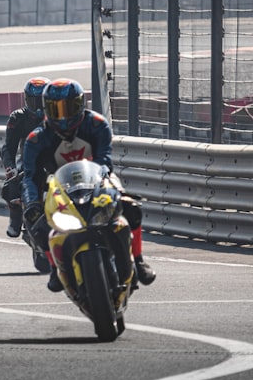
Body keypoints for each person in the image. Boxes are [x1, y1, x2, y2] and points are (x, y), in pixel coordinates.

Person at [21, 78, 156, 292]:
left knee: (131, 207)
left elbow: (105, 160)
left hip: (98, 178)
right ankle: (55, 269)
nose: (63, 115)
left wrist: (102, 178)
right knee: (38, 227)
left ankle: (138, 260)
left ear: (81, 105)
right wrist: (32, 203)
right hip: (58, 188)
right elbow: (30, 177)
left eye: (69, 107)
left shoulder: (97, 124)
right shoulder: (36, 140)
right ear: (46, 109)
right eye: (56, 109)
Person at [0, 77, 50, 237]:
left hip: (53, 160)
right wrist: (10, 168)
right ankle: (16, 221)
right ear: (27, 100)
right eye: (34, 101)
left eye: (41, 101)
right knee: (11, 187)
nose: (38, 105)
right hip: (29, 162)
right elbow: (8, 147)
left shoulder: (56, 116)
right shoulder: (18, 118)